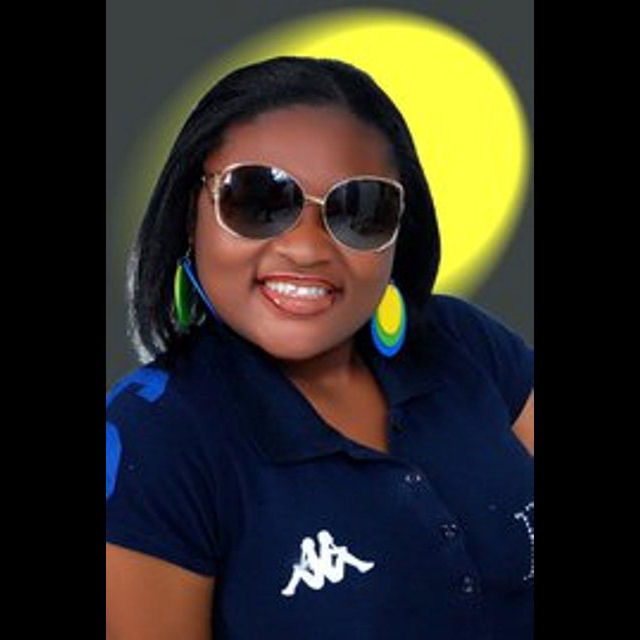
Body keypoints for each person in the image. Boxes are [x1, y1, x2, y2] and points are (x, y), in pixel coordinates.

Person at [106, 55, 534, 640]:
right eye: (257, 200)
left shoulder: (463, 342)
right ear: (189, 213)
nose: (307, 249)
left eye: (360, 210)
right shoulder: (153, 437)